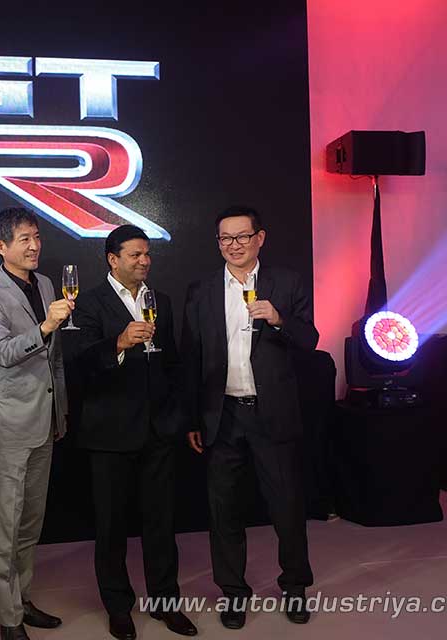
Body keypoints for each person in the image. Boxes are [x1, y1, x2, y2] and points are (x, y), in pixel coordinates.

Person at [181, 206, 317, 629]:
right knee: (223, 511)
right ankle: (234, 593)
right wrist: (192, 417)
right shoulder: (202, 290)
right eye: (225, 238)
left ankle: (294, 587)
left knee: (287, 507)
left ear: (260, 238)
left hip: (271, 413)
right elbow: (191, 357)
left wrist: (278, 319)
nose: (234, 245)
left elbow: (310, 339)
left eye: (242, 236)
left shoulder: (286, 283)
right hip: (222, 415)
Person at [73, 224, 197, 640]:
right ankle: (118, 607)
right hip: (109, 432)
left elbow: (172, 362)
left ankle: (166, 602)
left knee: (161, 524)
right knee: (111, 527)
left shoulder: (160, 300)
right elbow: (81, 361)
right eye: (135, 255)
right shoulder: (87, 302)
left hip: (158, 431)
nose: (145, 261)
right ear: (113, 259)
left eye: (147, 254)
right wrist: (119, 343)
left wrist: (177, 416)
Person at [0, 207, 72, 640]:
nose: (34, 246)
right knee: (6, 527)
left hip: (45, 420)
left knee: (31, 522)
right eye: (24, 239)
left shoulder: (46, 283)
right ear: (1, 246)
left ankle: (22, 598)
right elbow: (1, 353)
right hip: (8, 425)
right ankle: (9, 619)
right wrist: (46, 325)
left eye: (37, 237)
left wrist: (60, 409)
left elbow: (56, 358)